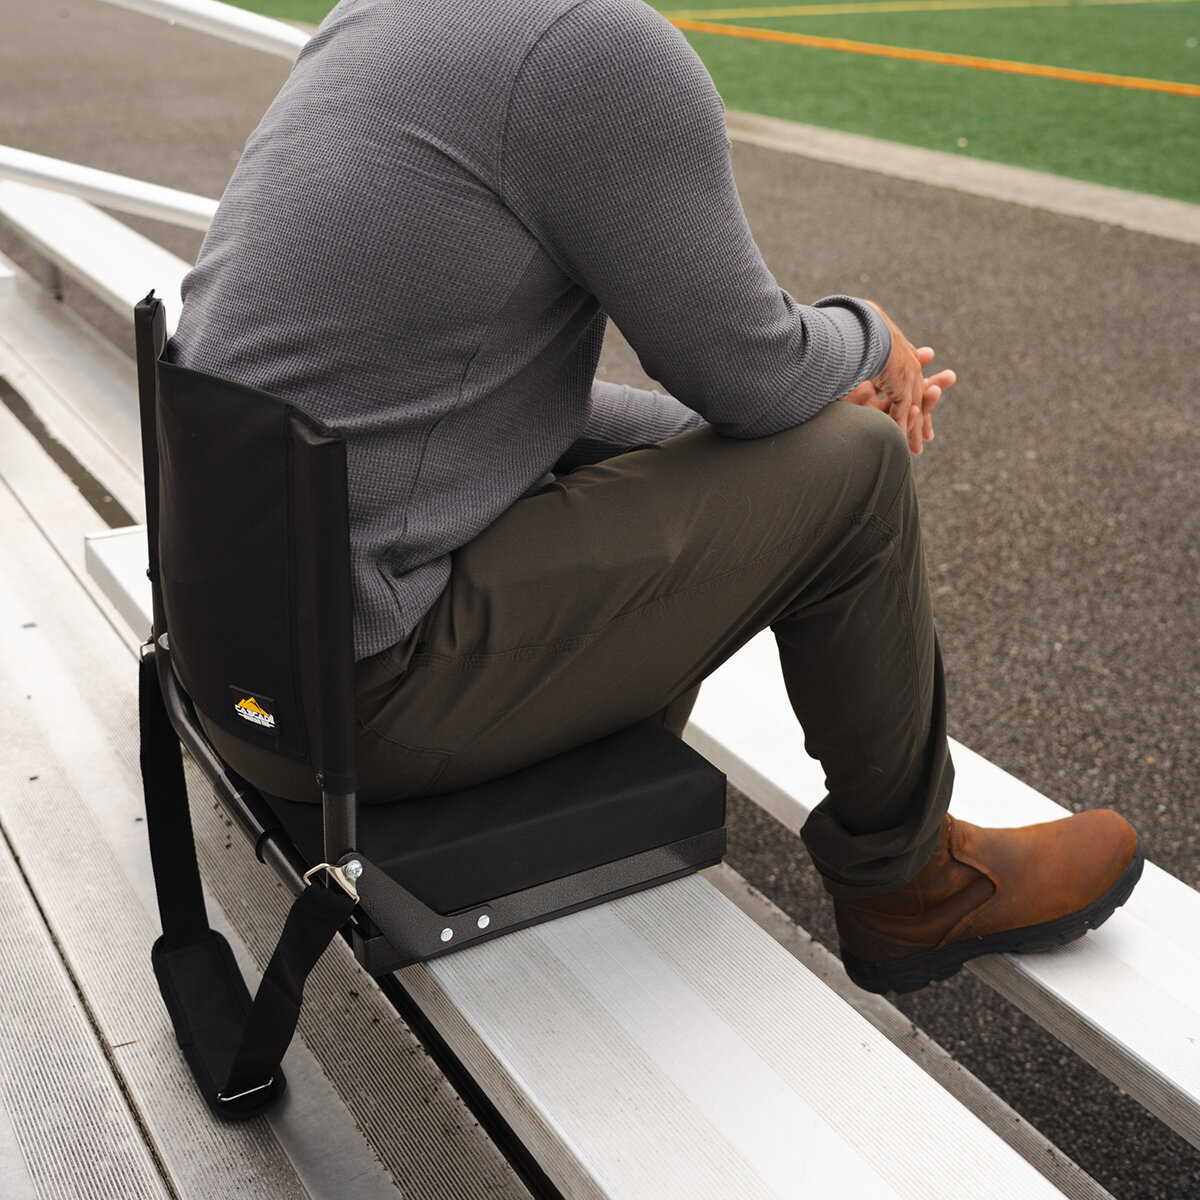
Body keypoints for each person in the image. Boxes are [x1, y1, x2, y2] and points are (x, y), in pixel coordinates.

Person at [171, 0, 1141, 993]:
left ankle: (890, 849)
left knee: (800, 455)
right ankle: (913, 885)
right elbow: (747, 371)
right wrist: (867, 338)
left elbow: (441, 400)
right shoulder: (593, 45)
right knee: (860, 464)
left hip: (240, 664)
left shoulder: (380, 14)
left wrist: (755, 468)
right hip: (362, 702)